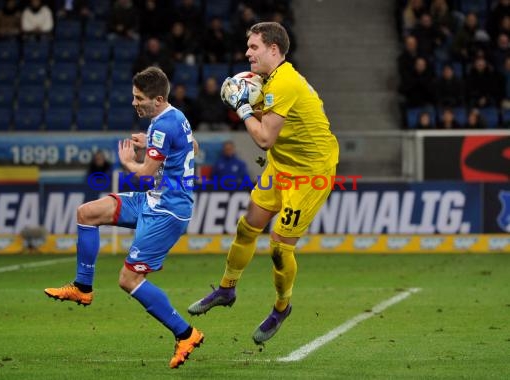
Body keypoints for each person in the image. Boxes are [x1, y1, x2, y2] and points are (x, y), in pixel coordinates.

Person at [188, 22, 339, 344]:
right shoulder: (269, 80)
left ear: (274, 49)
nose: (247, 53)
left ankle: (281, 307)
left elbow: (266, 139)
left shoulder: (284, 83)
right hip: (282, 166)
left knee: (279, 247)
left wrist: (243, 108)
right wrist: (245, 97)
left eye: (254, 47)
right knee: (247, 227)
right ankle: (226, 290)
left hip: (310, 175)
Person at [44, 67, 203, 369]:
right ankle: (83, 288)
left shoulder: (162, 126)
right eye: (133, 97)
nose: (134, 103)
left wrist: (130, 161)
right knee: (87, 213)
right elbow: (193, 147)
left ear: (157, 99)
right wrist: (152, 144)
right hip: (153, 201)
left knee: (129, 279)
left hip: (167, 211)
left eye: (139, 98)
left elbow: (144, 175)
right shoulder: (175, 116)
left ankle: (186, 333)